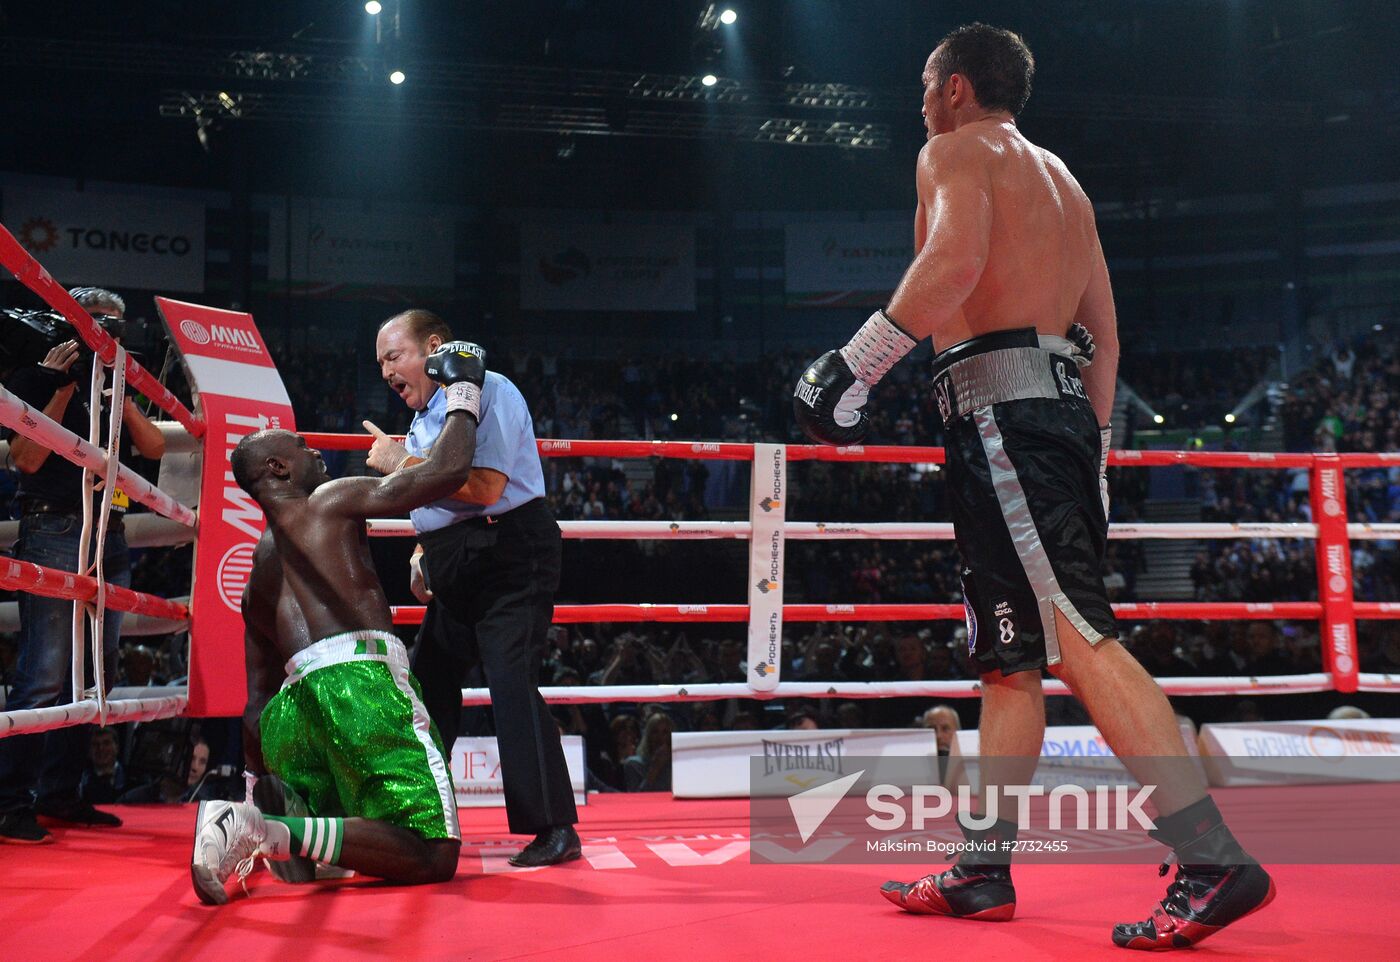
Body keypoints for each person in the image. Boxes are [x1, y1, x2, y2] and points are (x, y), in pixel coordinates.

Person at [792, 23, 1273, 951]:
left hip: (1001, 418)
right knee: (1009, 660)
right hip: (1045, 420)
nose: (920, 102)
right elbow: (1106, 336)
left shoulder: (954, 149)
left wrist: (854, 364)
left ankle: (1213, 857)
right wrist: (1091, 455)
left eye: (927, 85)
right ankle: (982, 869)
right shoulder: (1068, 186)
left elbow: (956, 263)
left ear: (958, 87)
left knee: (1079, 638)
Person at [189, 339, 484, 905]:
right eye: (300, 447)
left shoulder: (255, 579)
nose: (315, 451)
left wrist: (260, 781)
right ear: (278, 468)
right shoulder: (328, 500)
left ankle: (273, 827)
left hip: (289, 715)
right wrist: (464, 389)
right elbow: (447, 472)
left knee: (342, 858)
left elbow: (255, 700)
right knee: (431, 849)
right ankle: (267, 831)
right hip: (359, 682)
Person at [368, 309, 579, 867]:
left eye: (395, 356)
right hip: (455, 562)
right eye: (381, 363)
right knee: (427, 684)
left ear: (435, 347)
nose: (387, 371)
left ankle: (554, 828)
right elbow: (435, 506)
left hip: (508, 552)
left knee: (510, 679)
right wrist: (420, 550)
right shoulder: (424, 420)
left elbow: (485, 488)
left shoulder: (491, 391)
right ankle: (415, 812)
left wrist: (401, 463)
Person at [0, 286, 165, 844]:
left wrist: (122, 385)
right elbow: (25, 459)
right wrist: (61, 383)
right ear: (70, 324)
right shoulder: (37, 371)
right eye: (96, 324)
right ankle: (8, 802)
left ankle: (59, 794)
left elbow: (154, 448)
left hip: (108, 534)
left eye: (115, 326)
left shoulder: (113, 384)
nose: (106, 334)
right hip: (54, 529)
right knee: (44, 672)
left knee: (94, 674)